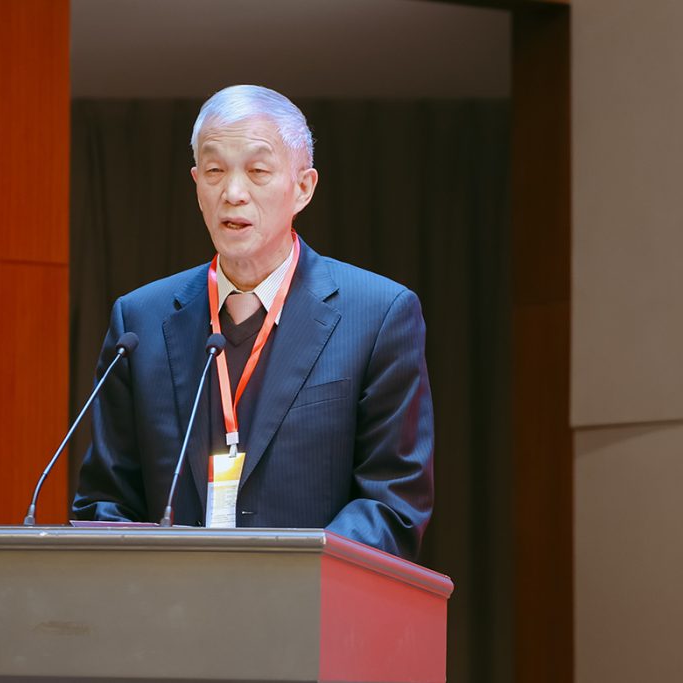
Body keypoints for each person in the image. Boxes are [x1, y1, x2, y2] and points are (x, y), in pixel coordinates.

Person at [73, 85, 433, 561]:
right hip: (169, 602)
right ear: (196, 184)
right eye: (215, 171)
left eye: (258, 171)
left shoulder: (378, 314)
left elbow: (391, 503)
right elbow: (106, 501)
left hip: (307, 602)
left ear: (303, 188)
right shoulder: (140, 321)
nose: (233, 193)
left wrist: (292, 582)